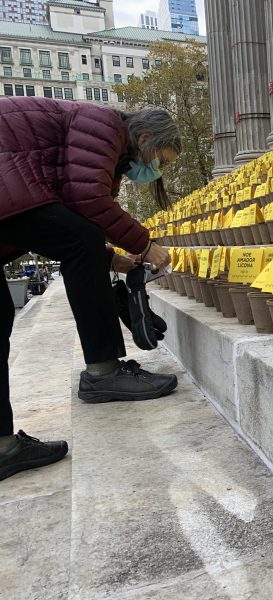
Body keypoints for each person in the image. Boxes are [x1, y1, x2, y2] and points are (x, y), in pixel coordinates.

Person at [0, 96, 181, 482]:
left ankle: (2, 448)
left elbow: (65, 205)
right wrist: (144, 244)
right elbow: (85, 199)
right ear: (145, 137)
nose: (157, 170)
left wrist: (106, 256)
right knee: (82, 239)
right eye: (161, 161)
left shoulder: (95, 134)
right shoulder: (103, 123)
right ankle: (103, 370)